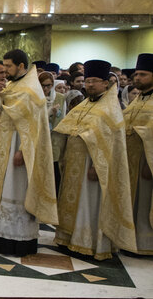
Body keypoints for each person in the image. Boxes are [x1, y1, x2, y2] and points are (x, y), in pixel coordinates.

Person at [0, 50, 59, 256]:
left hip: (19, 149)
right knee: (1, 192)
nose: (5, 71)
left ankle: (17, 241)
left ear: (21, 66)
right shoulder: (10, 85)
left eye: (9, 67)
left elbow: (36, 126)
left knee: (15, 191)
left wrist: (23, 150)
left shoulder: (32, 90)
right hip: (2, 147)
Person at [53, 60, 136, 260]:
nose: (89, 85)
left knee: (88, 204)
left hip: (93, 167)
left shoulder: (110, 109)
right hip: (74, 165)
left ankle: (88, 243)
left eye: (94, 81)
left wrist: (99, 167)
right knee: (73, 203)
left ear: (105, 84)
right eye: (87, 81)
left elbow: (111, 144)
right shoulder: (83, 105)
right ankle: (70, 238)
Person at [124, 54, 153, 255]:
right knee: (132, 200)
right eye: (136, 74)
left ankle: (146, 244)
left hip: (147, 161)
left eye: (143, 75)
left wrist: (150, 163)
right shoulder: (138, 99)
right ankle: (130, 240)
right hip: (130, 161)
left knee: (144, 202)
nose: (137, 78)